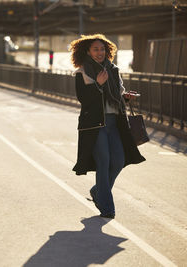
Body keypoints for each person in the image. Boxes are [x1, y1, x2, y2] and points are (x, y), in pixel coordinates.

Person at [69, 34, 145, 219]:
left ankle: (97, 191)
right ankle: (107, 208)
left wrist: (126, 96)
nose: (99, 52)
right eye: (95, 49)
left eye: (102, 49)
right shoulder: (82, 72)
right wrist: (97, 84)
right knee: (103, 162)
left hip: (115, 122)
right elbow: (84, 99)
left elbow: (117, 94)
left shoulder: (113, 69)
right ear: (87, 51)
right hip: (94, 124)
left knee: (118, 161)